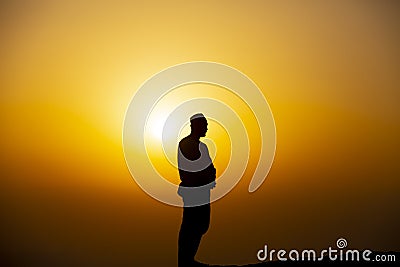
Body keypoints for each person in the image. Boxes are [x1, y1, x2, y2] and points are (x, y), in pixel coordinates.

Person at [177, 113, 216, 267]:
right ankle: (186, 260)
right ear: (195, 126)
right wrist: (205, 178)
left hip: (202, 192)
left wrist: (209, 177)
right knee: (191, 225)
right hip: (193, 192)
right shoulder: (185, 144)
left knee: (202, 224)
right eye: (204, 125)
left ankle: (188, 259)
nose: (206, 128)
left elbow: (210, 168)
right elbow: (192, 170)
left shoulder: (202, 147)